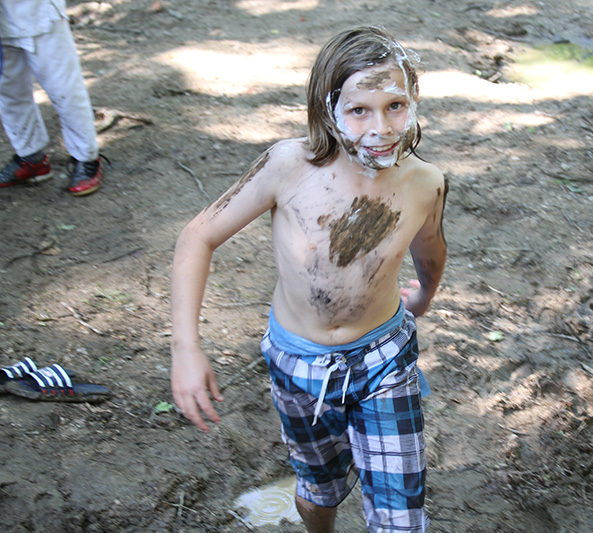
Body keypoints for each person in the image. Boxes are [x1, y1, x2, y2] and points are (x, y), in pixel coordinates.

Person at [170, 26, 447, 533]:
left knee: (402, 519)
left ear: (414, 102)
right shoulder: (288, 167)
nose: (380, 127)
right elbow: (197, 237)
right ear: (327, 108)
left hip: (384, 358)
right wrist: (185, 347)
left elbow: (430, 246)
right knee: (320, 494)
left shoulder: (425, 183)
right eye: (359, 110)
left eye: (395, 106)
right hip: (299, 363)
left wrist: (425, 293)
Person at [0, 0, 102, 196]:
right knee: (8, 90)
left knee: (63, 87)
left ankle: (86, 157)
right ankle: (31, 157)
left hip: (37, 11)